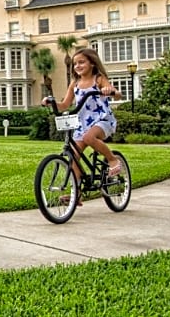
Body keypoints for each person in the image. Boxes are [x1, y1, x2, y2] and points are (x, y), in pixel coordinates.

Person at [41, 47, 122, 205]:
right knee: (73, 158)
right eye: (75, 64)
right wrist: (51, 103)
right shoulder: (75, 83)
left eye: (81, 62)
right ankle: (77, 194)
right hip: (82, 123)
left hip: (102, 120)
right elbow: (65, 104)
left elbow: (117, 93)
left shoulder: (98, 79)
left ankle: (112, 160)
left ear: (92, 63)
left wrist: (109, 90)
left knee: (89, 137)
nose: (77, 66)